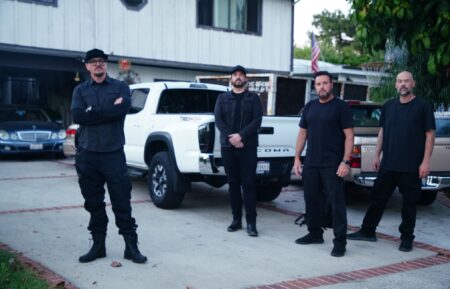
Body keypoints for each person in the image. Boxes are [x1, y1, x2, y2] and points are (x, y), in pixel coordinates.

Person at [71, 48, 147, 263]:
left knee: (122, 201)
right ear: (87, 66)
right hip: (88, 155)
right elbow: (78, 116)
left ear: (106, 65)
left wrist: (92, 111)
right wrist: (106, 111)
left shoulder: (120, 87)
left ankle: (131, 247)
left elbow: (120, 111)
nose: (98, 65)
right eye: (93, 62)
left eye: (102, 61)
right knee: (93, 203)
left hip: (113, 154)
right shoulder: (80, 90)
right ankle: (98, 246)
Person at [347, 71, 435, 252]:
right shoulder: (388, 106)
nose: (403, 84)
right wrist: (377, 154)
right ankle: (367, 231)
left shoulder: (423, 106)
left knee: (409, 205)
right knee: (377, 199)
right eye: (400, 81)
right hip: (388, 164)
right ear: (396, 85)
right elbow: (383, 132)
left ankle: (407, 238)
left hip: (411, 167)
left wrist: (425, 161)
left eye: (406, 81)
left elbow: (430, 135)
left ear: (413, 84)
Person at [293, 71, 354, 257]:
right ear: (315, 87)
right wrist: (297, 158)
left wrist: (345, 161)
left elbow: (349, 136)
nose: (321, 87)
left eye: (325, 83)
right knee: (311, 201)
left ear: (331, 85)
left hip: (333, 164)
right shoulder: (310, 107)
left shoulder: (341, 107)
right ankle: (314, 233)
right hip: (311, 162)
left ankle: (340, 242)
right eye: (318, 84)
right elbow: (303, 133)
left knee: (336, 203)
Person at [214, 65, 263, 237]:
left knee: (248, 184)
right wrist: (233, 138)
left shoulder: (253, 98)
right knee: (233, 185)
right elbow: (219, 120)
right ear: (231, 79)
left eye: (241, 75)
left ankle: (251, 223)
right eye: (235, 75)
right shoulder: (222, 98)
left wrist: (241, 136)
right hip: (228, 148)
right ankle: (236, 220)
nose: (238, 77)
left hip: (248, 148)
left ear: (246, 79)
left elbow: (257, 121)